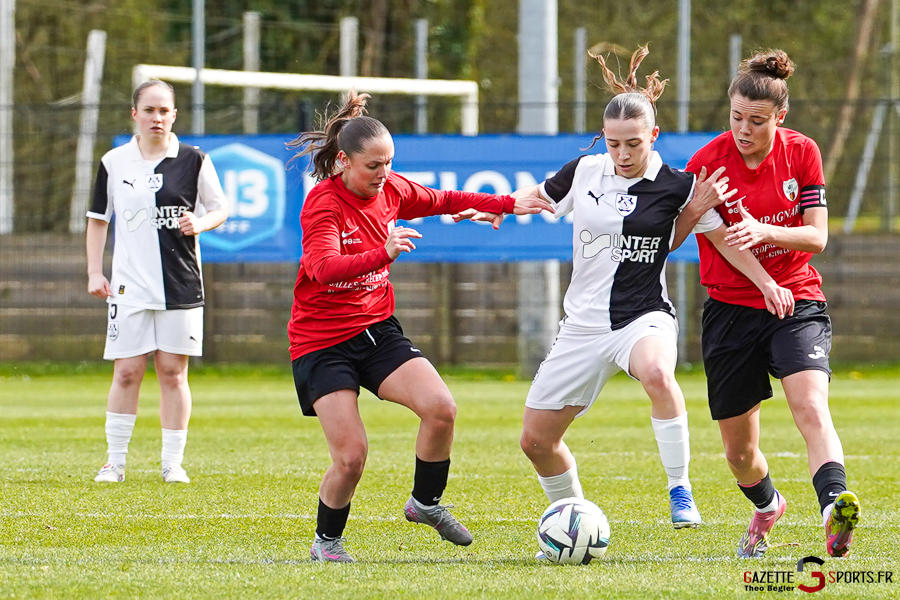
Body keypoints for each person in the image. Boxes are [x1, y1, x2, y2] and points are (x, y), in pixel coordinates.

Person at [455, 45, 793, 547]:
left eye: (633, 143)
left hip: (642, 316)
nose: (623, 154)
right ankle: (572, 518)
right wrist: (494, 206)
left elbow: (721, 239)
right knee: (536, 441)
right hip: (582, 326)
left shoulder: (681, 185)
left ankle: (680, 490)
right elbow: (536, 198)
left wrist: (765, 281)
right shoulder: (585, 171)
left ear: (653, 136)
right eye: (613, 144)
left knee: (658, 372)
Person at [286, 89, 555, 563]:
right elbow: (322, 268)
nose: (384, 174)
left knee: (441, 409)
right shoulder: (323, 205)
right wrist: (382, 254)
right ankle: (326, 543)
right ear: (344, 162)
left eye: (389, 163)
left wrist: (509, 204)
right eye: (373, 166)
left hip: (376, 330)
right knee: (351, 456)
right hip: (322, 343)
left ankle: (425, 503)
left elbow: (446, 197)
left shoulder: (391, 189)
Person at [673, 49, 861, 558]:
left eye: (757, 121)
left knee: (811, 407)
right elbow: (672, 240)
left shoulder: (802, 153)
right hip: (730, 309)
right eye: (736, 117)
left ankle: (833, 507)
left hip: (795, 299)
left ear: (780, 116)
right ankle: (767, 503)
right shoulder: (708, 162)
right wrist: (695, 206)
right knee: (739, 452)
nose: (744, 129)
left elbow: (816, 237)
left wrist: (764, 230)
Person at [86, 80, 228, 485]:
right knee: (127, 371)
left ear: (174, 115)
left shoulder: (194, 159)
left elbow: (220, 207)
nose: (157, 117)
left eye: (164, 110)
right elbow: (98, 221)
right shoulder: (114, 162)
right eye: (149, 110)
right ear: (135, 113)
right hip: (129, 287)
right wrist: (96, 272)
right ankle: (114, 462)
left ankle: (172, 463)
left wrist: (199, 222)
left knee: (172, 372)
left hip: (181, 284)